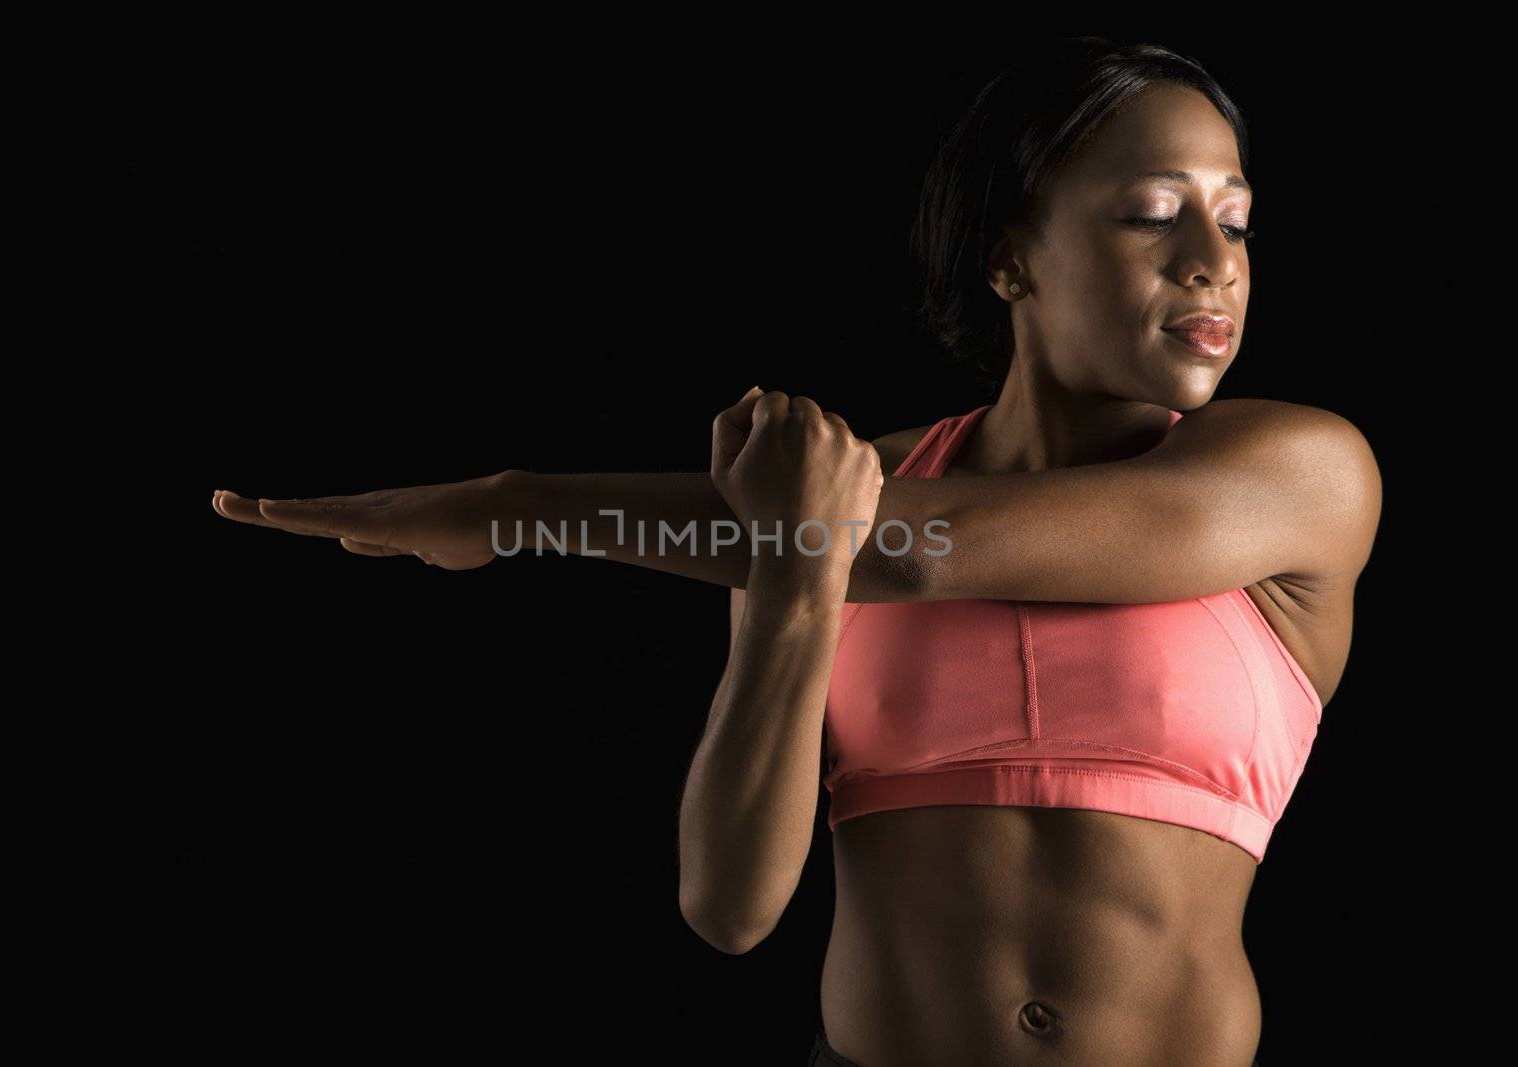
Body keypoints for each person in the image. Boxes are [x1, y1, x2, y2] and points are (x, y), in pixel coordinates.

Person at [213, 37, 1380, 1066]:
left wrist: (518, 505)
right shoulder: (810, 515)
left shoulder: (1296, 472)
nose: (1210, 258)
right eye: (1150, 210)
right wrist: (786, 586)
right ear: (1009, 253)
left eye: (1232, 218)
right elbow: (729, 903)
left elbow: (921, 552)